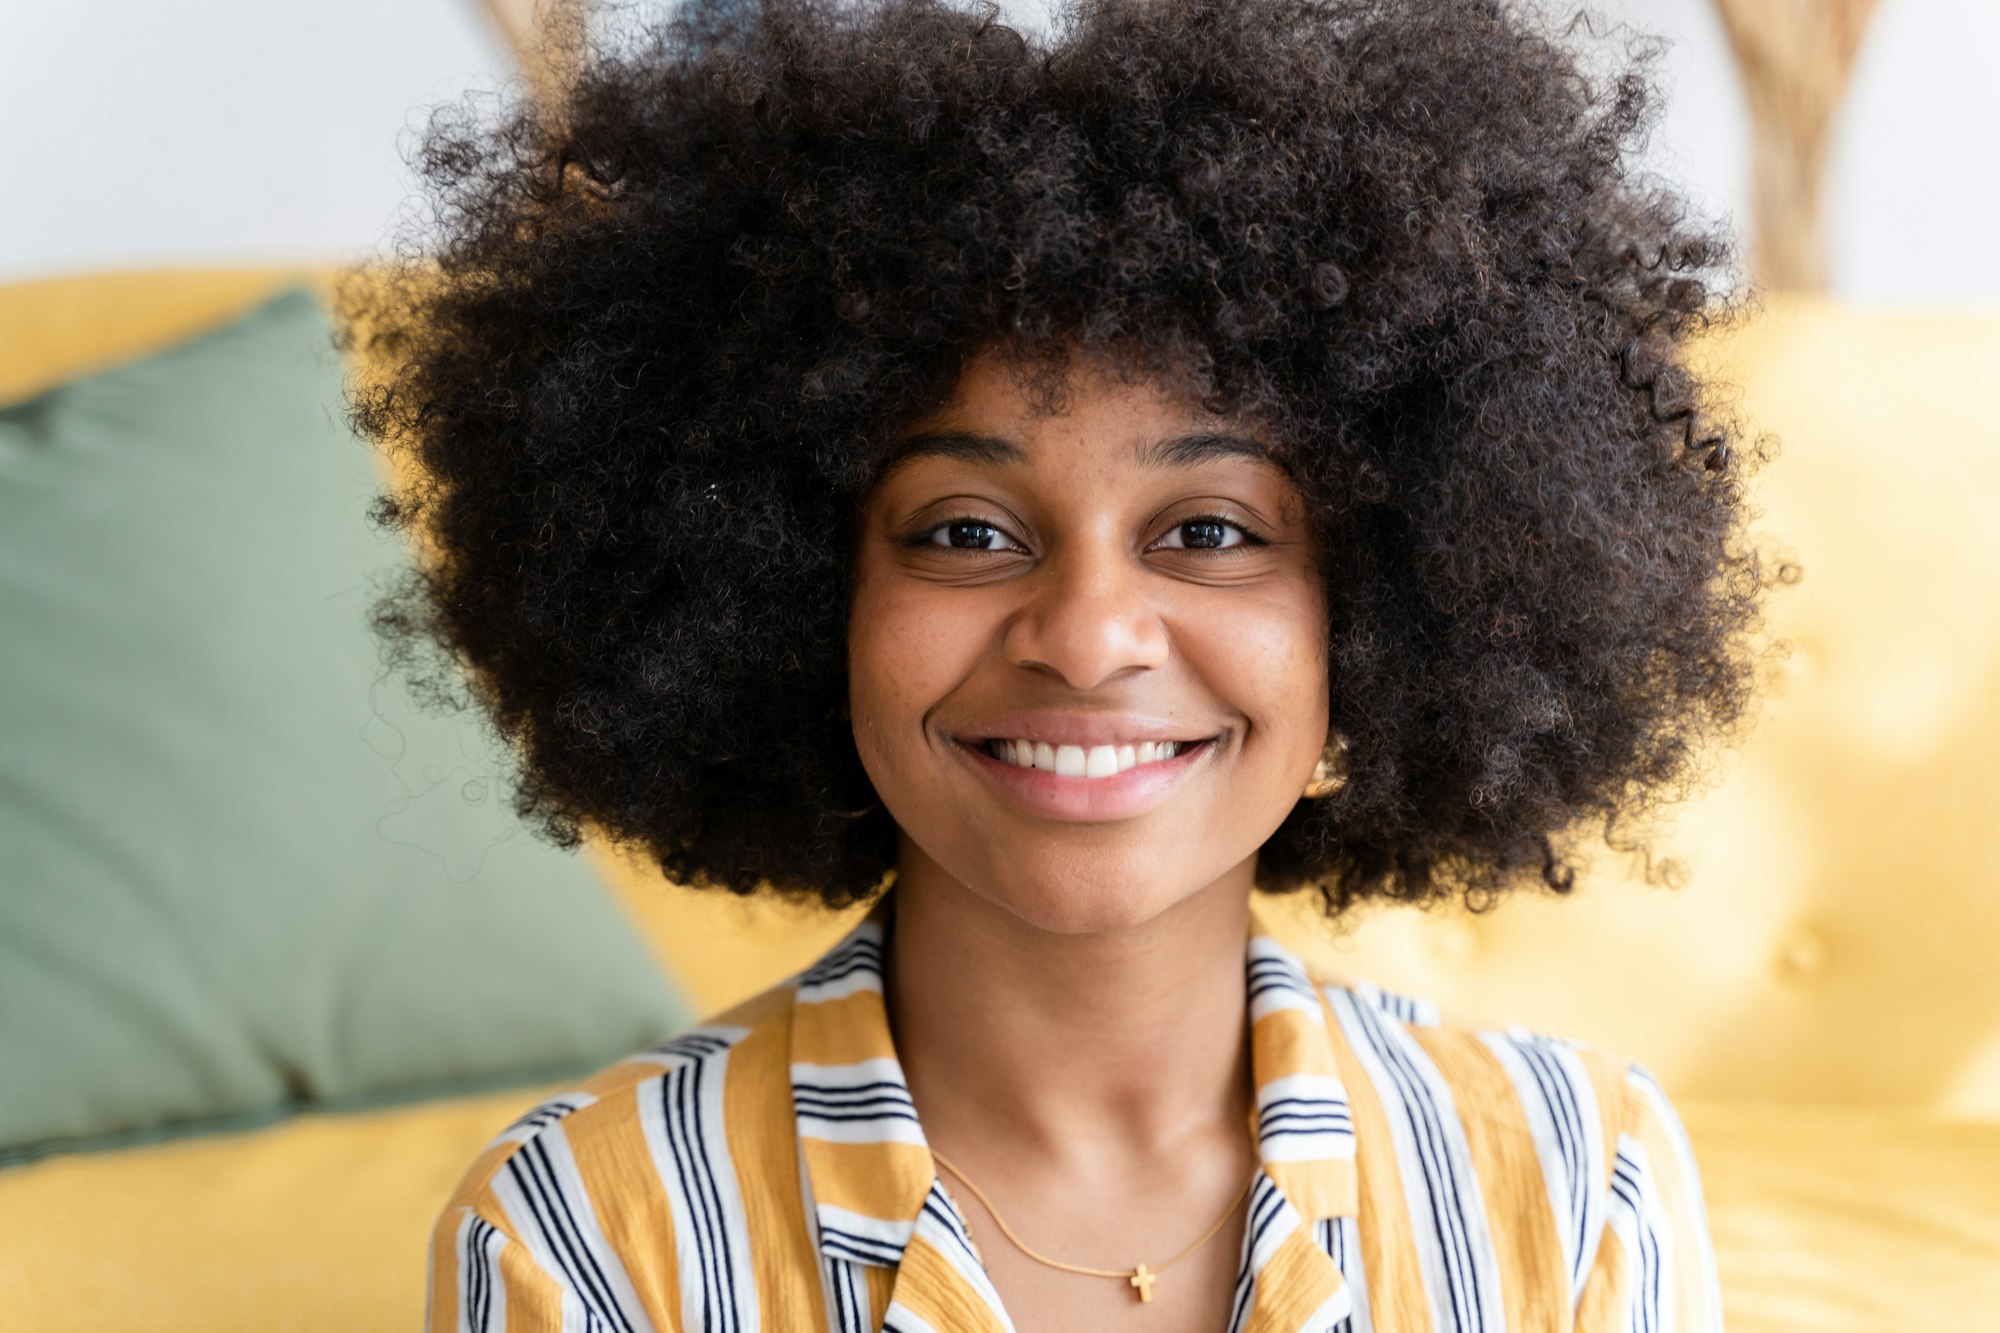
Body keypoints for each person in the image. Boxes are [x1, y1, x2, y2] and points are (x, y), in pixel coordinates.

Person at [343, 0, 1769, 1327]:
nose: (1088, 635)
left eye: (1208, 528)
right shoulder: (590, 1237)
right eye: (965, 530)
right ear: (791, 601)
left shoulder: (1576, 1185)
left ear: (1387, 607)